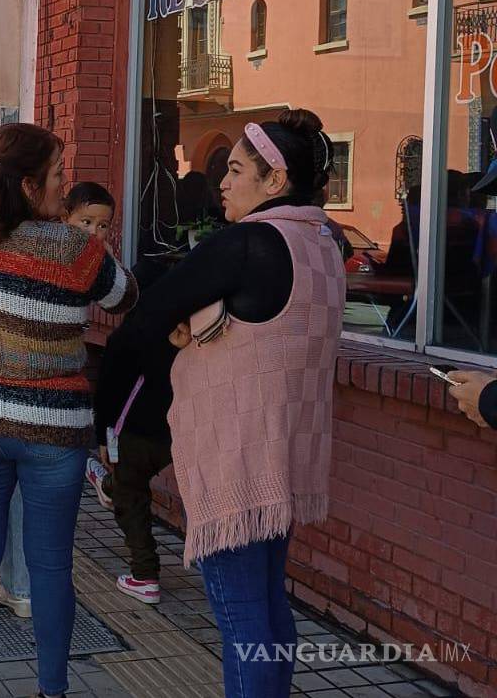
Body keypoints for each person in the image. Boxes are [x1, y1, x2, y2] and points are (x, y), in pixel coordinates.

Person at [114, 109, 345, 698]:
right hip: (285, 455)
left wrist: (174, 330)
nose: (222, 181)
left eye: (237, 169)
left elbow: (145, 316)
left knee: (244, 619)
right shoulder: (324, 242)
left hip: (236, 463)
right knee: (269, 609)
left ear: (275, 181)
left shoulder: (251, 242)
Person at [0, 123, 137, 698]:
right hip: (52, 429)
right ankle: (53, 690)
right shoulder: (73, 248)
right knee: (49, 566)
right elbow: (126, 296)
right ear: (28, 184)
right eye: (56, 175)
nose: (64, 185)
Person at [88, 259, 183, 606]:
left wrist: (102, 436)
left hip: (132, 431)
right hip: (178, 433)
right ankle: (108, 482)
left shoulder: (126, 336)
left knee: (131, 499)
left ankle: (144, 575)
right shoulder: (184, 335)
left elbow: (108, 391)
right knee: (132, 480)